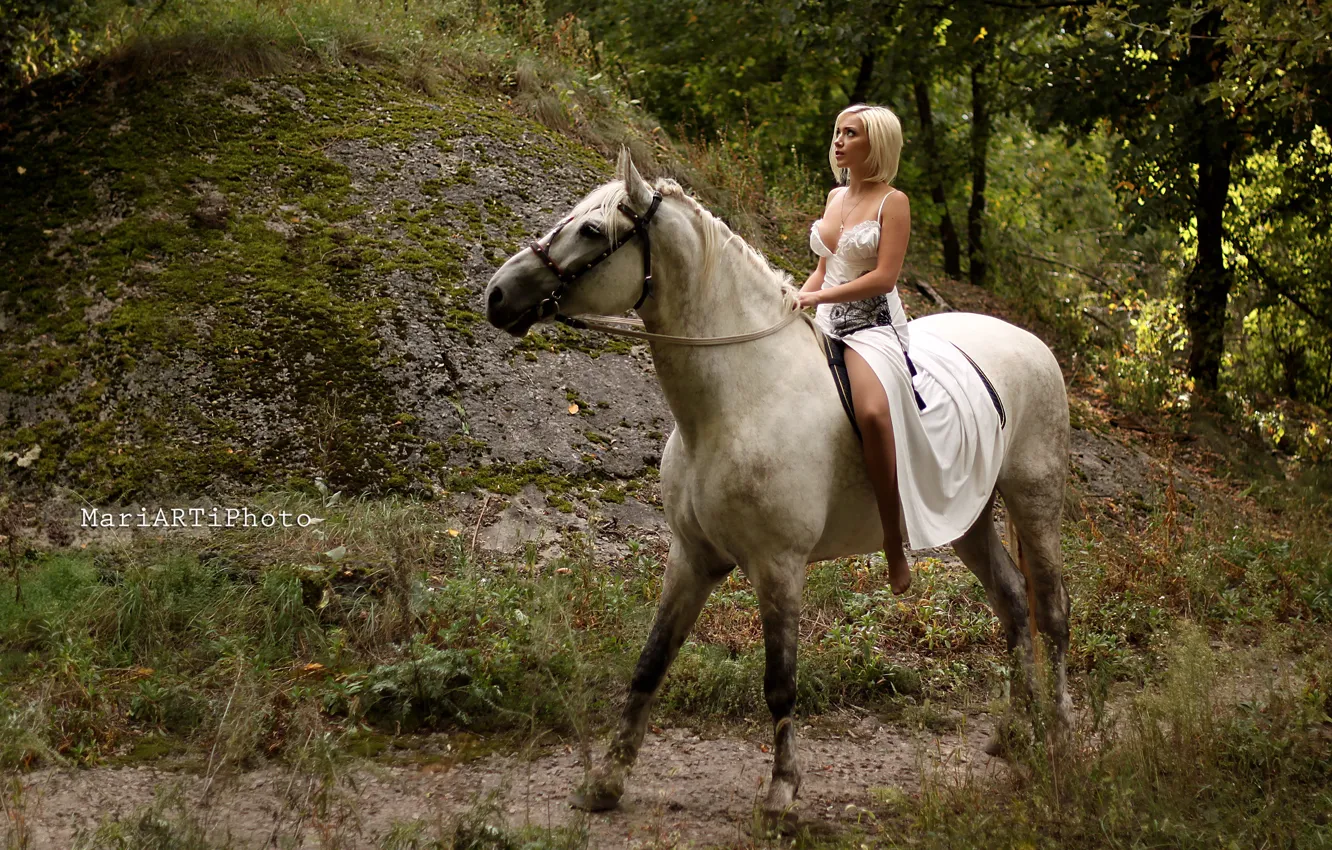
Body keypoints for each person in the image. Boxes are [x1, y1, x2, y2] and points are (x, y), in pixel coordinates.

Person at [795, 104, 914, 595]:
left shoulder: (894, 202)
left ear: (876, 145)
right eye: (838, 131)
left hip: (872, 325)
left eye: (853, 133)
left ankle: (892, 541)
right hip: (824, 317)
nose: (840, 141)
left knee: (871, 413)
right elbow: (824, 271)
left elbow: (883, 277)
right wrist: (793, 301)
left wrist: (817, 297)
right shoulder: (834, 196)